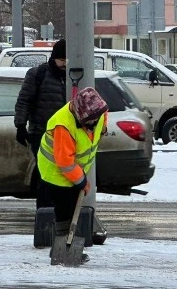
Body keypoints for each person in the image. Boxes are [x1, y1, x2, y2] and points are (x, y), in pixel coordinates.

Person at [37, 87, 108, 263]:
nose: (91, 127)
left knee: (71, 206)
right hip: (54, 170)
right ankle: (62, 248)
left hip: (74, 166)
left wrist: (103, 128)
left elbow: (103, 118)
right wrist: (82, 181)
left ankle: (66, 245)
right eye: (87, 124)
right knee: (65, 210)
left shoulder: (98, 112)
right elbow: (65, 163)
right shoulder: (63, 126)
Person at [14, 39, 67, 209]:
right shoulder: (38, 74)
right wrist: (20, 126)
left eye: (67, 60)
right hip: (41, 134)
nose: (65, 64)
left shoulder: (73, 77)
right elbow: (24, 101)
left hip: (65, 136)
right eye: (62, 60)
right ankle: (45, 213)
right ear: (54, 58)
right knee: (46, 176)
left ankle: (60, 212)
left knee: (63, 175)